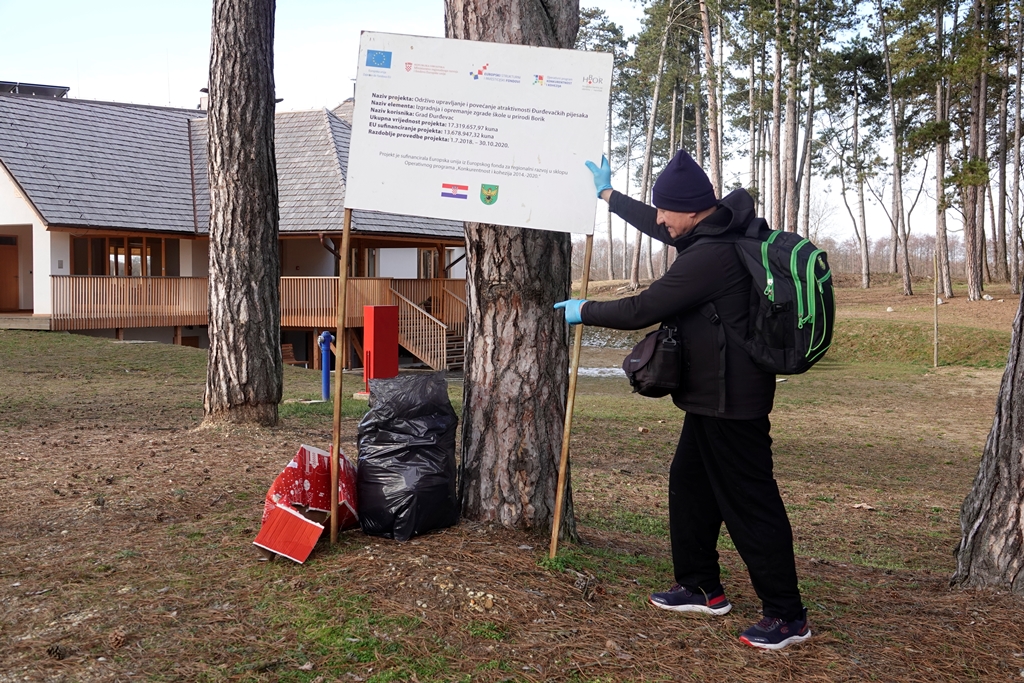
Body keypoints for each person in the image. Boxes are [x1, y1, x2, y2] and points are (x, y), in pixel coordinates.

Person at [554, 151, 811, 651]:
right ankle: (700, 586)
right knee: (690, 487)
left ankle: (787, 615)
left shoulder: (711, 257)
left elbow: (644, 307)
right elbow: (659, 224)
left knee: (751, 504)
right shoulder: (714, 230)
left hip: (732, 403)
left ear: (692, 210)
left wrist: (585, 309)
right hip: (710, 398)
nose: (661, 220)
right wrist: (609, 196)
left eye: (667, 210)